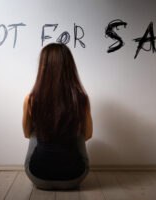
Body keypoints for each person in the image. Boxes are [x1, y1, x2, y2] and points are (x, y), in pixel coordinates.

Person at [22, 43, 93, 190]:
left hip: (38, 176)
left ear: (43, 67)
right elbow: (87, 135)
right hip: (75, 177)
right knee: (77, 131)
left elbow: (27, 134)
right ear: (70, 67)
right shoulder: (81, 99)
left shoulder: (30, 99)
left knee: (36, 132)